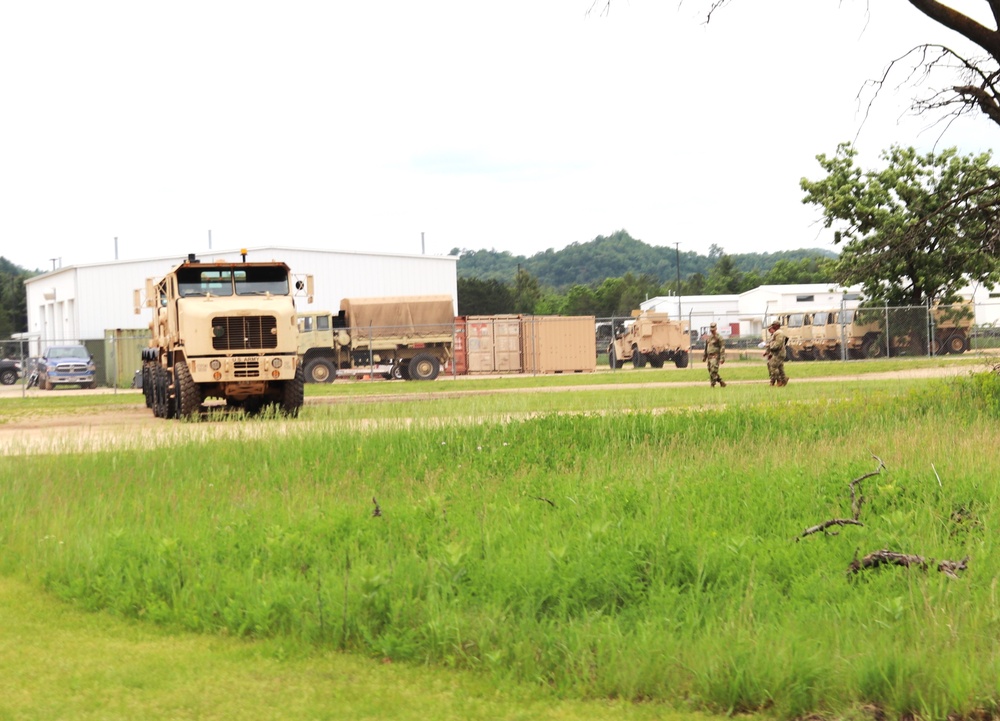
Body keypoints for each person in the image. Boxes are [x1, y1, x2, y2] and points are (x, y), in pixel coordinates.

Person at [764, 320, 788, 387]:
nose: (772, 326)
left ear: (777, 325)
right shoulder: (776, 333)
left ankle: (779, 380)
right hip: (777, 353)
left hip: (778, 353)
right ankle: (784, 380)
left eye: (773, 325)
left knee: (773, 366)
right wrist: (768, 351)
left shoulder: (779, 333)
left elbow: (778, 344)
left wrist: (770, 346)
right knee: (780, 367)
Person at [703, 322, 726, 387]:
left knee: (713, 370)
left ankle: (712, 384)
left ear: (716, 329)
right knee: (711, 371)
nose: (712, 331)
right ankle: (721, 381)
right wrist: (704, 356)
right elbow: (706, 347)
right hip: (709, 357)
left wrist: (722, 358)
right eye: (711, 329)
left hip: (715, 356)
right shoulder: (709, 338)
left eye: (713, 329)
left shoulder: (719, 337)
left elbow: (722, 348)